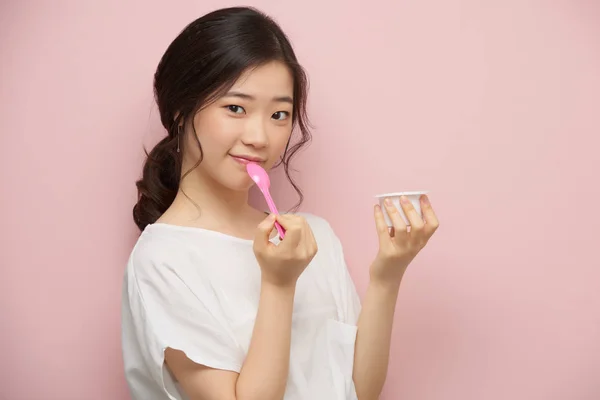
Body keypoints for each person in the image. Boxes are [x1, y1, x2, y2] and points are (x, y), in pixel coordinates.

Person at [121, 6, 439, 400]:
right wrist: (277, 284)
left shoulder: (312, 237)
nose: (260, 136)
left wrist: (387, 275)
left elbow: (360, 390)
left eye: (279, 114)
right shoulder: (162, 261)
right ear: (182, 110)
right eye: (235, 107)